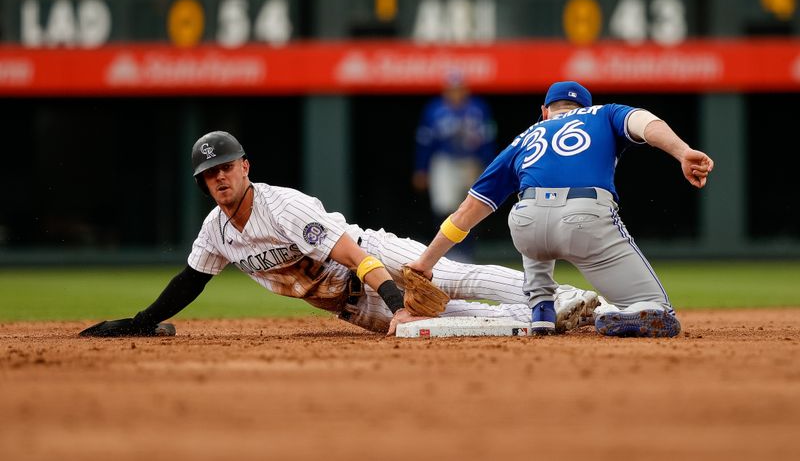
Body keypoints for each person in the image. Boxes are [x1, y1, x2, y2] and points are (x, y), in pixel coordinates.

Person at [79, 131, 600, 338]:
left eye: (226, 168)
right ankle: (552, 318)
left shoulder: (280, 205)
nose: (218, 178)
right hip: (349, 306)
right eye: (208, 175)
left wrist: (398, 298)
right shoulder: (216, 231)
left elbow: (353, 255)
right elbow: (191, 280)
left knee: (455, 277)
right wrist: (143, 322)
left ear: (244, 168)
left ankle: (569, 295)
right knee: (455, 323)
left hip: (372, 257)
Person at [407, 81, 714, 338]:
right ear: (584, 108)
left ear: (544, 112)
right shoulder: (604, 114)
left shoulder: (524, 137)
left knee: (526, 206)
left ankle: (541, 305)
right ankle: (626, 310)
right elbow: (645, 122)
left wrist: (425, 262)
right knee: (660, 311)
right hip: (585, 220)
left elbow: (466, 213)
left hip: (528, 226)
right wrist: (683, 151)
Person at [412, 71, 496, 262]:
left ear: (466, 90)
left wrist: (488, 166)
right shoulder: (434, 109)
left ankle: (467, 253)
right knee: (444, 206)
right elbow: (425, 142)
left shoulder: (478, 108)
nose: (456, 93)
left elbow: (488, 139)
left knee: (473, 206)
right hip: (444, 161)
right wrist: (421, 169)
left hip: (471, 161)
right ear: (446, 90)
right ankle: (444, 253)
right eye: (452, 89)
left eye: (459, 89)